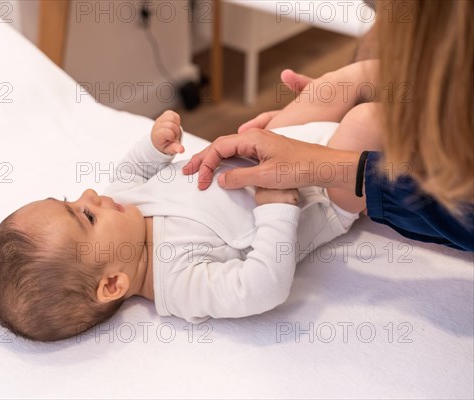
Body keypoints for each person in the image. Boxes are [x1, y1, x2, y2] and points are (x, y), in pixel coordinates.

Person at [0, 107, 372, 342]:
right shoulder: (177, 282)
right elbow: (259, 288)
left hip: (274, 143)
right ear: (113, 283)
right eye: (85, 215)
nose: (89, 194)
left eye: (70, 199)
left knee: (334, 89)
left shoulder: (123, 203)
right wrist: (277, 208)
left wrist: (154, 144)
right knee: (365, 120)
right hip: (323, 191)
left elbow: (133, 168)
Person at [183, 0, 473, 252]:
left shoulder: (172, 265)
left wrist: (337, 167)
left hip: (311, 198)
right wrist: (312, 130)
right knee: (352, 85)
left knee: (366, 118)